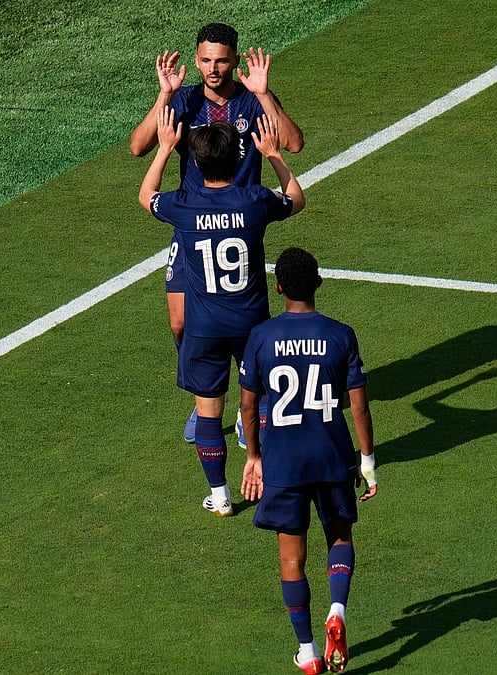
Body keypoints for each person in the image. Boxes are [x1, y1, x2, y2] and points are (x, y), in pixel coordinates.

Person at [130, 22, 304, 444]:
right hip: (191, 222)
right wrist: (164, 95)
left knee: (246, 323)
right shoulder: (184, 101)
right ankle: (204, 398)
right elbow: (138, 147)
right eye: (206, 60)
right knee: (179, 321)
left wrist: (264, 94)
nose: (214, 68)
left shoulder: (252, 99)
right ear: (196, 59)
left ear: (234, 59)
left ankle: (255, 408)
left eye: (222, 60)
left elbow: (294, 144)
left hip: (240, 221)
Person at [139, 107, 304, 517]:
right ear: (239, 157)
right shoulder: (255, 200)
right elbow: (296, 199)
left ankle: (221, 494)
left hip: (204, 329)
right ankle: (268, 474)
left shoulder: (185, 205)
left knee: (208, 412)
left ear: (195, 162)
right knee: (261, 402)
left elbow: (146, 196)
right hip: (252, 327)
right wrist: (273, 156)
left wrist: (164, 150)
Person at [238, 247, 377, 673]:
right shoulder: (341, 334)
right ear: (318, 282)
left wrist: (253, 456)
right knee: (339, 536)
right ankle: (337, 608)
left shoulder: (261, 337)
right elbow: (359, 407)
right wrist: (367, 460)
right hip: (332, 455)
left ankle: (308, 650)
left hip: (284, 462)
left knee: (291, 559)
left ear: (277, 288)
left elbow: (247, 407)